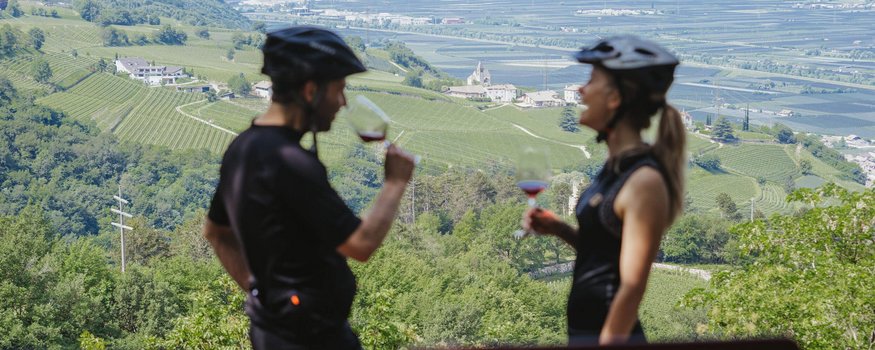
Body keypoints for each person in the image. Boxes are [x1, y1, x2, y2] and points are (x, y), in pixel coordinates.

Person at [203, 26, 416, 349]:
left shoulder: (243, 148)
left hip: (277, 333)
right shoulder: (289, 162)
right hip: (311, 339)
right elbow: (361, 244)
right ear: (310, 90)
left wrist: (262, 294)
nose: (343, 103)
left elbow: (215, 232)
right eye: (339, 89)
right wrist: (395, 182)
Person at [523, 36, 686, 346]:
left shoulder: (643, 181)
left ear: (614, 98)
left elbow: (631, 286)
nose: (582, 90)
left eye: (591, 80)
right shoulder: (618, 168)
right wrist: (559, 229)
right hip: (586, 335)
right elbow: (603, 255)